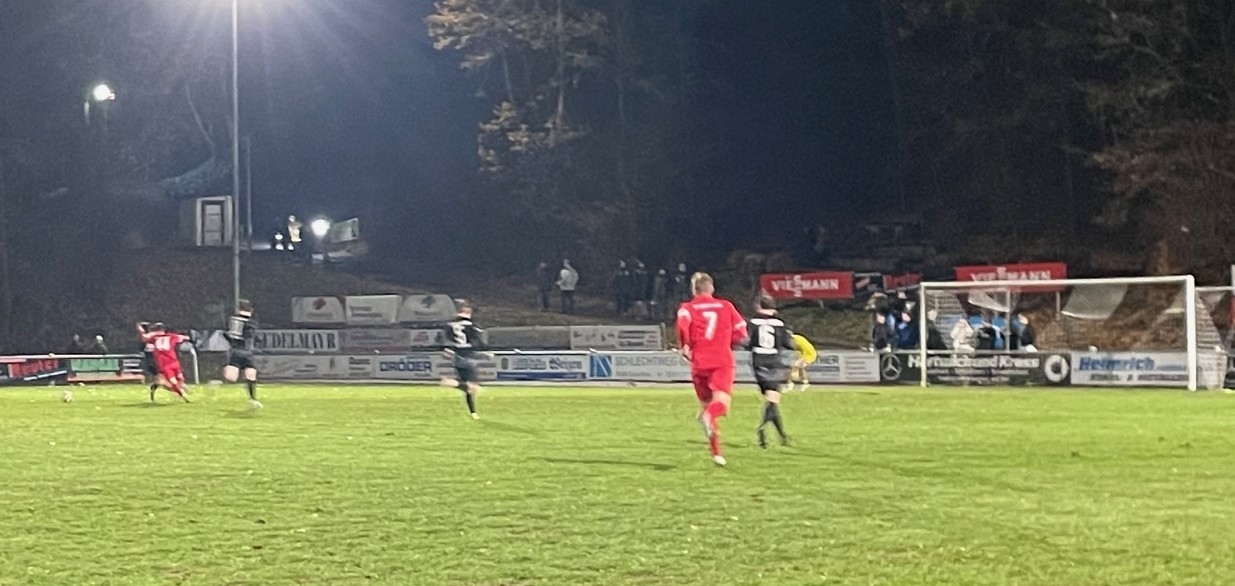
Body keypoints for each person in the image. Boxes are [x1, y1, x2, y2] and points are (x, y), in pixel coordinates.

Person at [676, 272, 747, 467]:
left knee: (708, 407)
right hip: (721, 360)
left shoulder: (687, 308)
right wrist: (726, 341)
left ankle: (717, 454)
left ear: (694, 290)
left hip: (699, 362)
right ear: (712, 288)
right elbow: (741, 332)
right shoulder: (726, 306)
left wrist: (685, 345)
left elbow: (682, 325)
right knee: (720, 406)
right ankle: (707, 418)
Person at [746, 295, 797, 449]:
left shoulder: (752, 322)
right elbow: (788, 344)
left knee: (772, 400)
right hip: (774, 362)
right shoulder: (780, 323)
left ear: (759, 306)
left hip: (758, 362)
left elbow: (747, 343)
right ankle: (763, 427)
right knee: (773, 399)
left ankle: (782, 436)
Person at [440, 300, 486, 420]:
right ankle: (453, 383)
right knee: (473, 387)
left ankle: (473, 412)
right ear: (466, 309)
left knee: (468, 388)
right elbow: (479, 341)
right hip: (468, 356)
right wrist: (485, 350)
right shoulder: (471, 324)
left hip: (457, 357)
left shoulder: (450, 323)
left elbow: (443, 338)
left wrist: (446, 349)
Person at [139, 323, 191, 402]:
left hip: (164, 363)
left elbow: (144, 338)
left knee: (175, 381)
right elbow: (184, 337)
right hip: (166, 363)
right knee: (170, 381)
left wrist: (140, 329)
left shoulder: (154, 338)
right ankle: (181, 392)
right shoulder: (170, 336)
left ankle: (179, 390)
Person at [224, 299, 261, 409]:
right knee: (250, 376)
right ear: (251, 310)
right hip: (246, 352)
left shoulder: (232, 320)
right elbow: (254, 336)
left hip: (236, 352)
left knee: (235, 377)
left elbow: (228, 335)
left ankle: (253, 400)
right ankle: (253, 399)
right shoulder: (252, 323)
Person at [135, 322, 162, 397]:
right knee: (159, 378)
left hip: (151, 361)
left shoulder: (148, 338)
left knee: (157, 377)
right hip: (155, 361)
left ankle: (153, 386)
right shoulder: (152, 337)